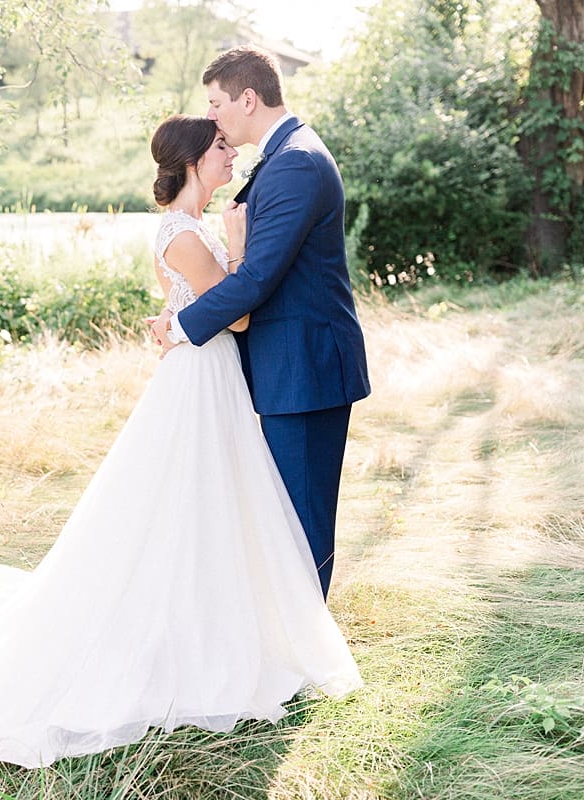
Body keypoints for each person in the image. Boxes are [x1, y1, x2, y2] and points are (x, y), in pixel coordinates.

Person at [0, 114, 361, 786]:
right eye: (222, 148)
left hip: (209, 375)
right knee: (189, 503)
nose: (233, 155)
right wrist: (236, 249)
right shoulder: (186, 232)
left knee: (214, 506)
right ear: (194, 162)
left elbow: (203, 307)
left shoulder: (188, 229)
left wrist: (190, 304)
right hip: (201, 382)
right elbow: (236, 314)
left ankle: (228, 620)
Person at [152, 46, 370, 599]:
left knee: (300, 517)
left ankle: (304, 657)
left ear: (248, 98)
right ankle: (291, 644)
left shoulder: (295, 160)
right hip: (289, 368)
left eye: (217, 103)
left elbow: (257, 280)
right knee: (285, 515)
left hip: (305, 370)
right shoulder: (287, 155)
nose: (213, 116)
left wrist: (180, 327)